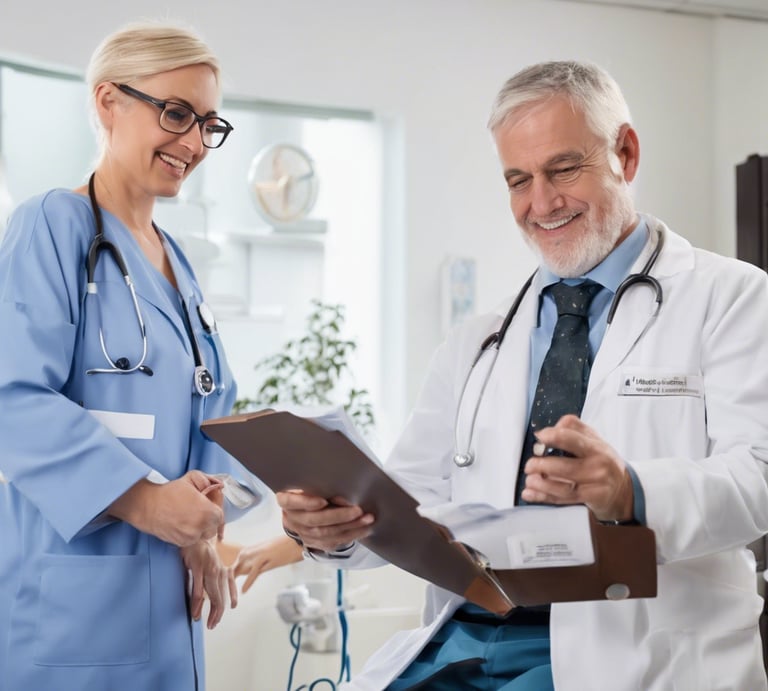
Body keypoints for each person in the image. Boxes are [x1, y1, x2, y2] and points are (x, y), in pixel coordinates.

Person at [277, 60, 768, 690]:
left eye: (563, 169)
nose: (541, 203)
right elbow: (409, 505)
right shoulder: (479, 341)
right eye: (517, 179)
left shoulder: (729, 298)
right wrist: (334, 528)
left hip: (630, 650)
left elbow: (757, 473)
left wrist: (630, 492)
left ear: (626, 152)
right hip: (468, 637)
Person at [0, 21, 266, 691]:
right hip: (71, 610)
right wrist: (147, 501)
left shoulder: (178, 262)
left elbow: (210, 407)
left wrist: (206, 518)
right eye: (175, 113)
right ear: (106, 103)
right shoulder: (52, 227)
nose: (193, 143)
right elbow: (13, 398)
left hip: (170, 606)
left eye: (208, 123)